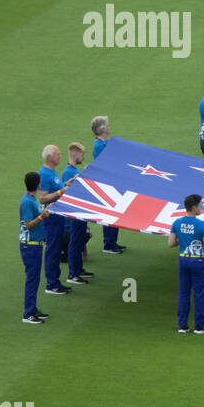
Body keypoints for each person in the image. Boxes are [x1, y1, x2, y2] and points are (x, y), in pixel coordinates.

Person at [168, 193, 204, 334]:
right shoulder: (202, 225)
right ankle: (199, 327)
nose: (201, 208)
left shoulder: (177, 223)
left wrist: (184, 241)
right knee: (199, 294)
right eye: (200, 205)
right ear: (194, 207)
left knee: (183, 293)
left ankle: (182, 326)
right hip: (198, 261)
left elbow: (171, 243)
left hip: (183, 259)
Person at [38, 145, 73, 295]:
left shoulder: (52, 172)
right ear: (49, 157)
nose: (60, 156)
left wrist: (68, 183)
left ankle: (55, 282)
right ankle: (51, 284)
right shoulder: (45, 174)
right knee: (52, 249)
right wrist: (61, 191)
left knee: (56, 248)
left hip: (57, 216)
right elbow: (42, 198)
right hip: (51, 217)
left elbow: (57, 189)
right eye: (57, 154)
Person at [89, 116, 126, 254]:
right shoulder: (99, 145)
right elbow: (107, 163)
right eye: (108, 125)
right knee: (111, 212)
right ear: (103, 129)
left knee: (116, 212)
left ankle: (112, 241)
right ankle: (108, 244)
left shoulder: (105, 143)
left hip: (113, 181)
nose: (109, 127)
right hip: (107, 183)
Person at [19, 172, 50, 325]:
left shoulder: (31, 200)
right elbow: (28, 225)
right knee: (32, 279)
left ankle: (32, 308)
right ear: (38, 185)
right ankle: (28, 313)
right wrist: (41, 217)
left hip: (34, 246)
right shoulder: (27, 202)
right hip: (30, 247)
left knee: (35, 279)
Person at [61, 143, 93, 285]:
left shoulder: (73, 170)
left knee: (78, 241)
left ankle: (79, 269)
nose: (84, 157)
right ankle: (73, 274)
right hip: (75, 213)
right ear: (75, 154)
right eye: (82, 155)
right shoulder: (68, 172)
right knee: (75, 242)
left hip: (79, 212)